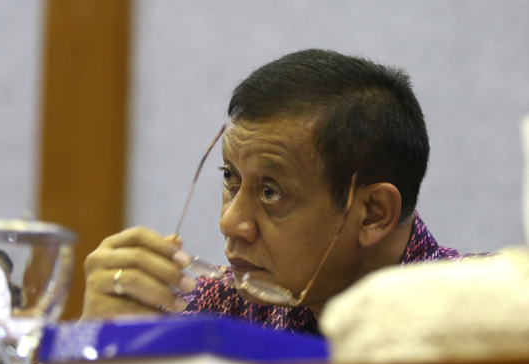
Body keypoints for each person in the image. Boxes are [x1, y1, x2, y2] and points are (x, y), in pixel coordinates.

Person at [81, 48, 485, 335]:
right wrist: (92, 341)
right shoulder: (218, 308)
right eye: (230, 177)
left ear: (373, 213)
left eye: (271, 192)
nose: (230, 223)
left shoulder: (490, 318)